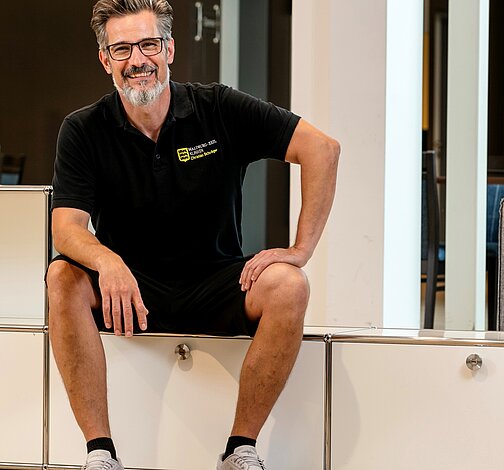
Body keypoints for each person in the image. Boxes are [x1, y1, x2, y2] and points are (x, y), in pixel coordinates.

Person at [45, 0, 339, 469]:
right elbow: (66, 228)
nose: (137, 60)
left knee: (290, 285)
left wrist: (300, 249)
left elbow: (322, 149)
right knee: (61, 278)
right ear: (105, 60)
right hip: (130, 292)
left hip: (217, 281)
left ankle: (240, 449)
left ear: (169, 49)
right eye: (121, 49)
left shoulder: (218, 108)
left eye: (148, 44)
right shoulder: (83, 129)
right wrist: (108, 262)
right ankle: (100, 454)